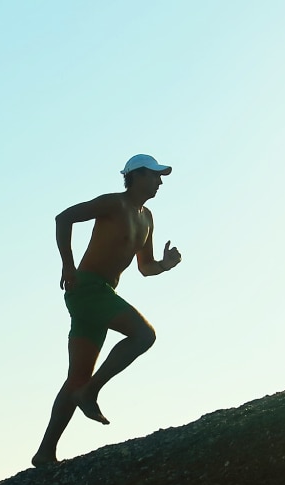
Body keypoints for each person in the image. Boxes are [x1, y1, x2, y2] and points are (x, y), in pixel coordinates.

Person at [31, 154, 183, 468]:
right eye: (155, 175)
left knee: (76, 378)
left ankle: (45, 453)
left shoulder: (147, 217)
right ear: (137, 176)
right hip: (87, 288)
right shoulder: (114, 203)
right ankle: (90, 392)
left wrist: (166, 266)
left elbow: (146, 267)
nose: (160, 181)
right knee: (144, 335)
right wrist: (68, 266)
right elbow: (64, 218)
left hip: (102, 294)